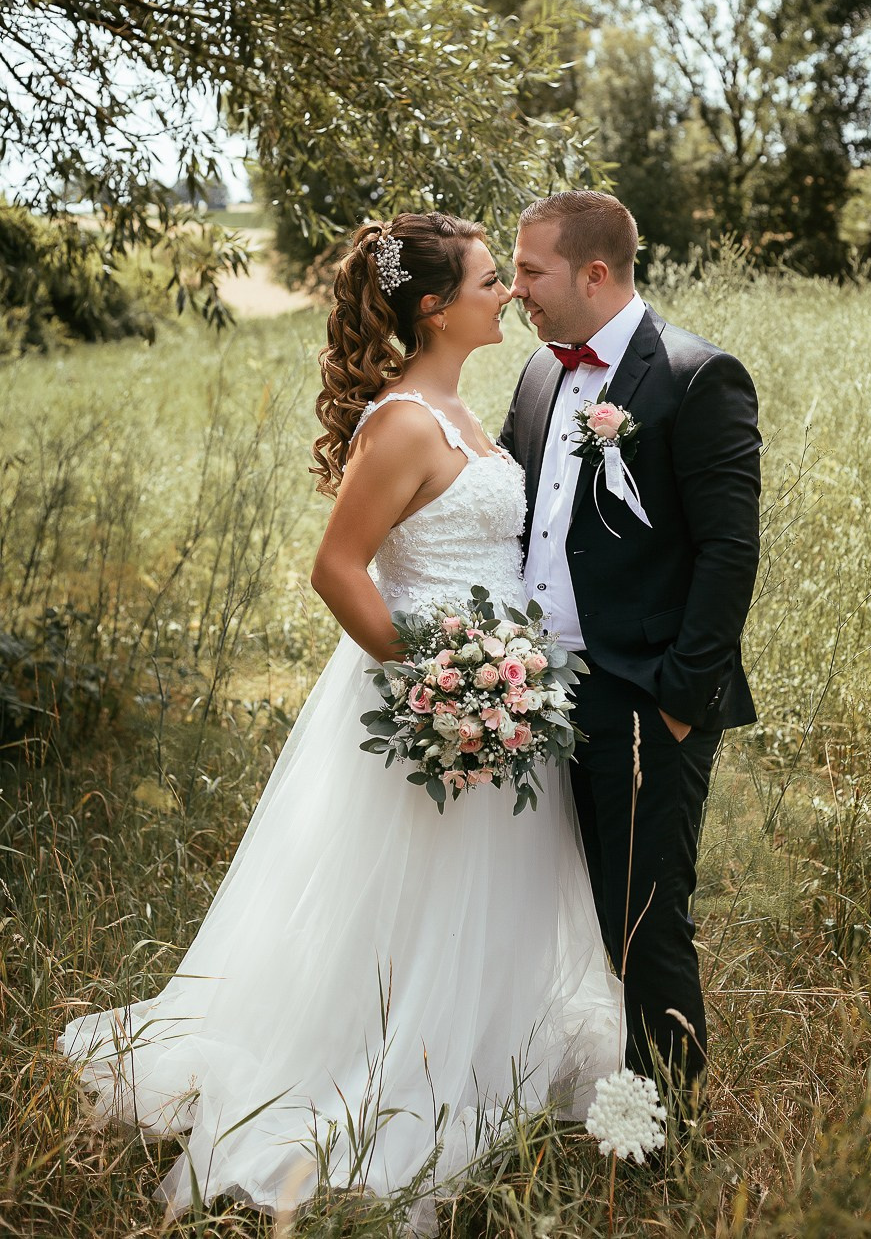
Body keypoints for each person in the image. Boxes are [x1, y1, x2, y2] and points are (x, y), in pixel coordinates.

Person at [59, 213, 621, 1228]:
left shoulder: (459, 405)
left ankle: (484, 1053)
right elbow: (337, 568)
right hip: (437, 697)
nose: (508, 293)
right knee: (413, 901)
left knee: (478, 899)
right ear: (435, 307)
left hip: (494, 693)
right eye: (494, 279)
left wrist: (494, 682)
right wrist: (440, 681)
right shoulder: (406, 419)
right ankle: (387, 1079)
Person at [500, 190, 761, 1110]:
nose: (516, 288)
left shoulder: (697, 376)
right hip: (538, 693)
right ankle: (566, 1090)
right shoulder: (538, 375)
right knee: (564, 904)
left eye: (531, 271)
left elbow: (731, 551)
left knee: (644, 918)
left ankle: (666, 1126)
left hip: (646, 693)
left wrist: (682, 699)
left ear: (594, 273)